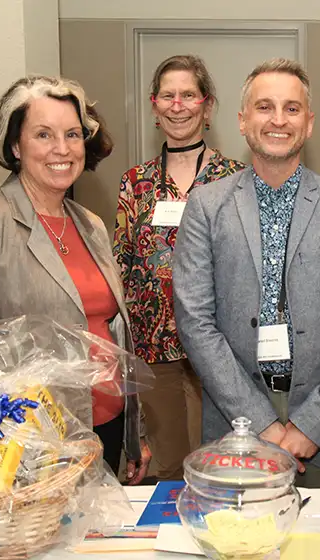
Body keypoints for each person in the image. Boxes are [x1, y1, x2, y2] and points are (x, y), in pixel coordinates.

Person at [173, 58, 320, 488]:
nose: (278, 120)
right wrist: (259, 423)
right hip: (235, 420)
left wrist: (311, 426)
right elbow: (195, 321)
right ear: (242, 120)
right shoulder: (206, 206)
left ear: (308, 124)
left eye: (292, 109)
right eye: (264, 107)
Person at [0, 76, 151, 483]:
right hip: (32, 447)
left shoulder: (89, 223)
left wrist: (133, 436)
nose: (62, 149)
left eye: (72, 134)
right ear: (16, 146)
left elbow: (113, 332)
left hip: (105, 427)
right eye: (43, 134)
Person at [114, 55, 245, 480]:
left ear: (207, 106)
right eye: (167, 95)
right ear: (154, 106)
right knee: (169, 468)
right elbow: (122, 265)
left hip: (220, 346)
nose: (178, 105)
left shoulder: (237, 179)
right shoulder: (135, 183)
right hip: (154, 350)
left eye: (189, 95)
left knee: (223, 464)